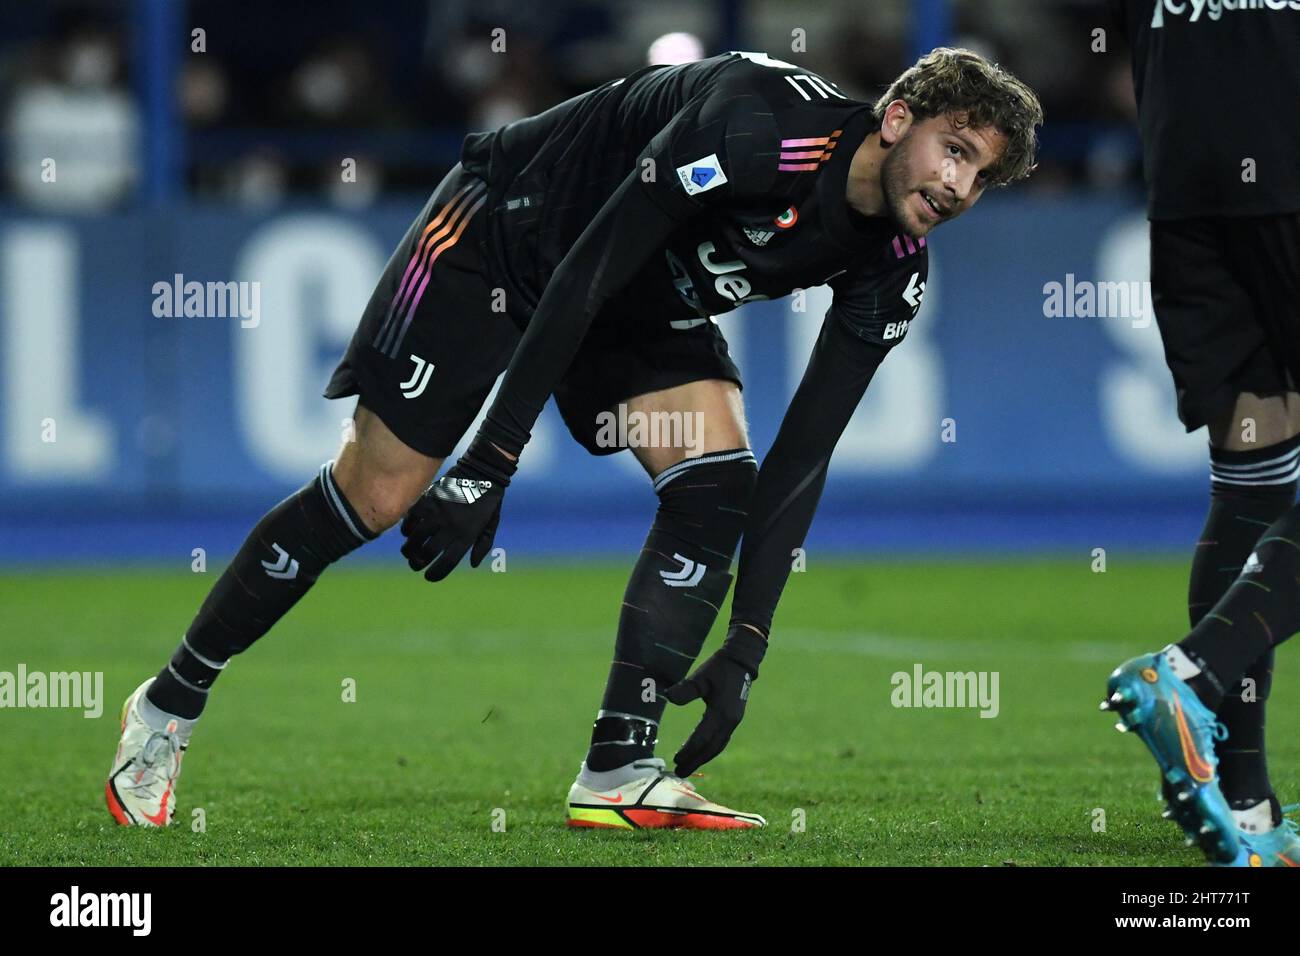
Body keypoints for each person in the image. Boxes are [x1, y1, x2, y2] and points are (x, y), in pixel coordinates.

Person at [107, 48, 1040, 831]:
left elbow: (803, 459)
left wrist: (748, 641)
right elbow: (588, 265)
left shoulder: (893, 272)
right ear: (896, 117)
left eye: (981, 175)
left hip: (638, 300)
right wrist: (489, 460)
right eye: (953, 150)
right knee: (378, 495)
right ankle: (168, 704)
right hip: (508, 235)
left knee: (720, 480)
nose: (958, 186)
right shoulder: (756, 128)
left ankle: (618, 766)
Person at [1103, 1, 1300, 866]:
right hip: (1289, 158)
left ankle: (1246, 805)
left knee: (1253, 470)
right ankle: (1189, 673)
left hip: (1186, 181)